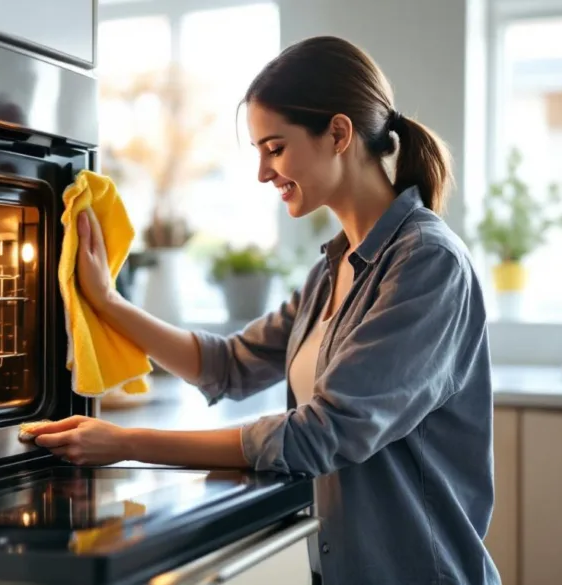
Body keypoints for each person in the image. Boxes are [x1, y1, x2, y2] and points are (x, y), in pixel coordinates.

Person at [28, 36, 500, 585]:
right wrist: (107, 301)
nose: (261, 172)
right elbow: (229, 365)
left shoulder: (426, 264)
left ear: (339, 134)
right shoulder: (332, 270)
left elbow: (316, 437)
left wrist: (126, 444)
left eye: (274, 148)